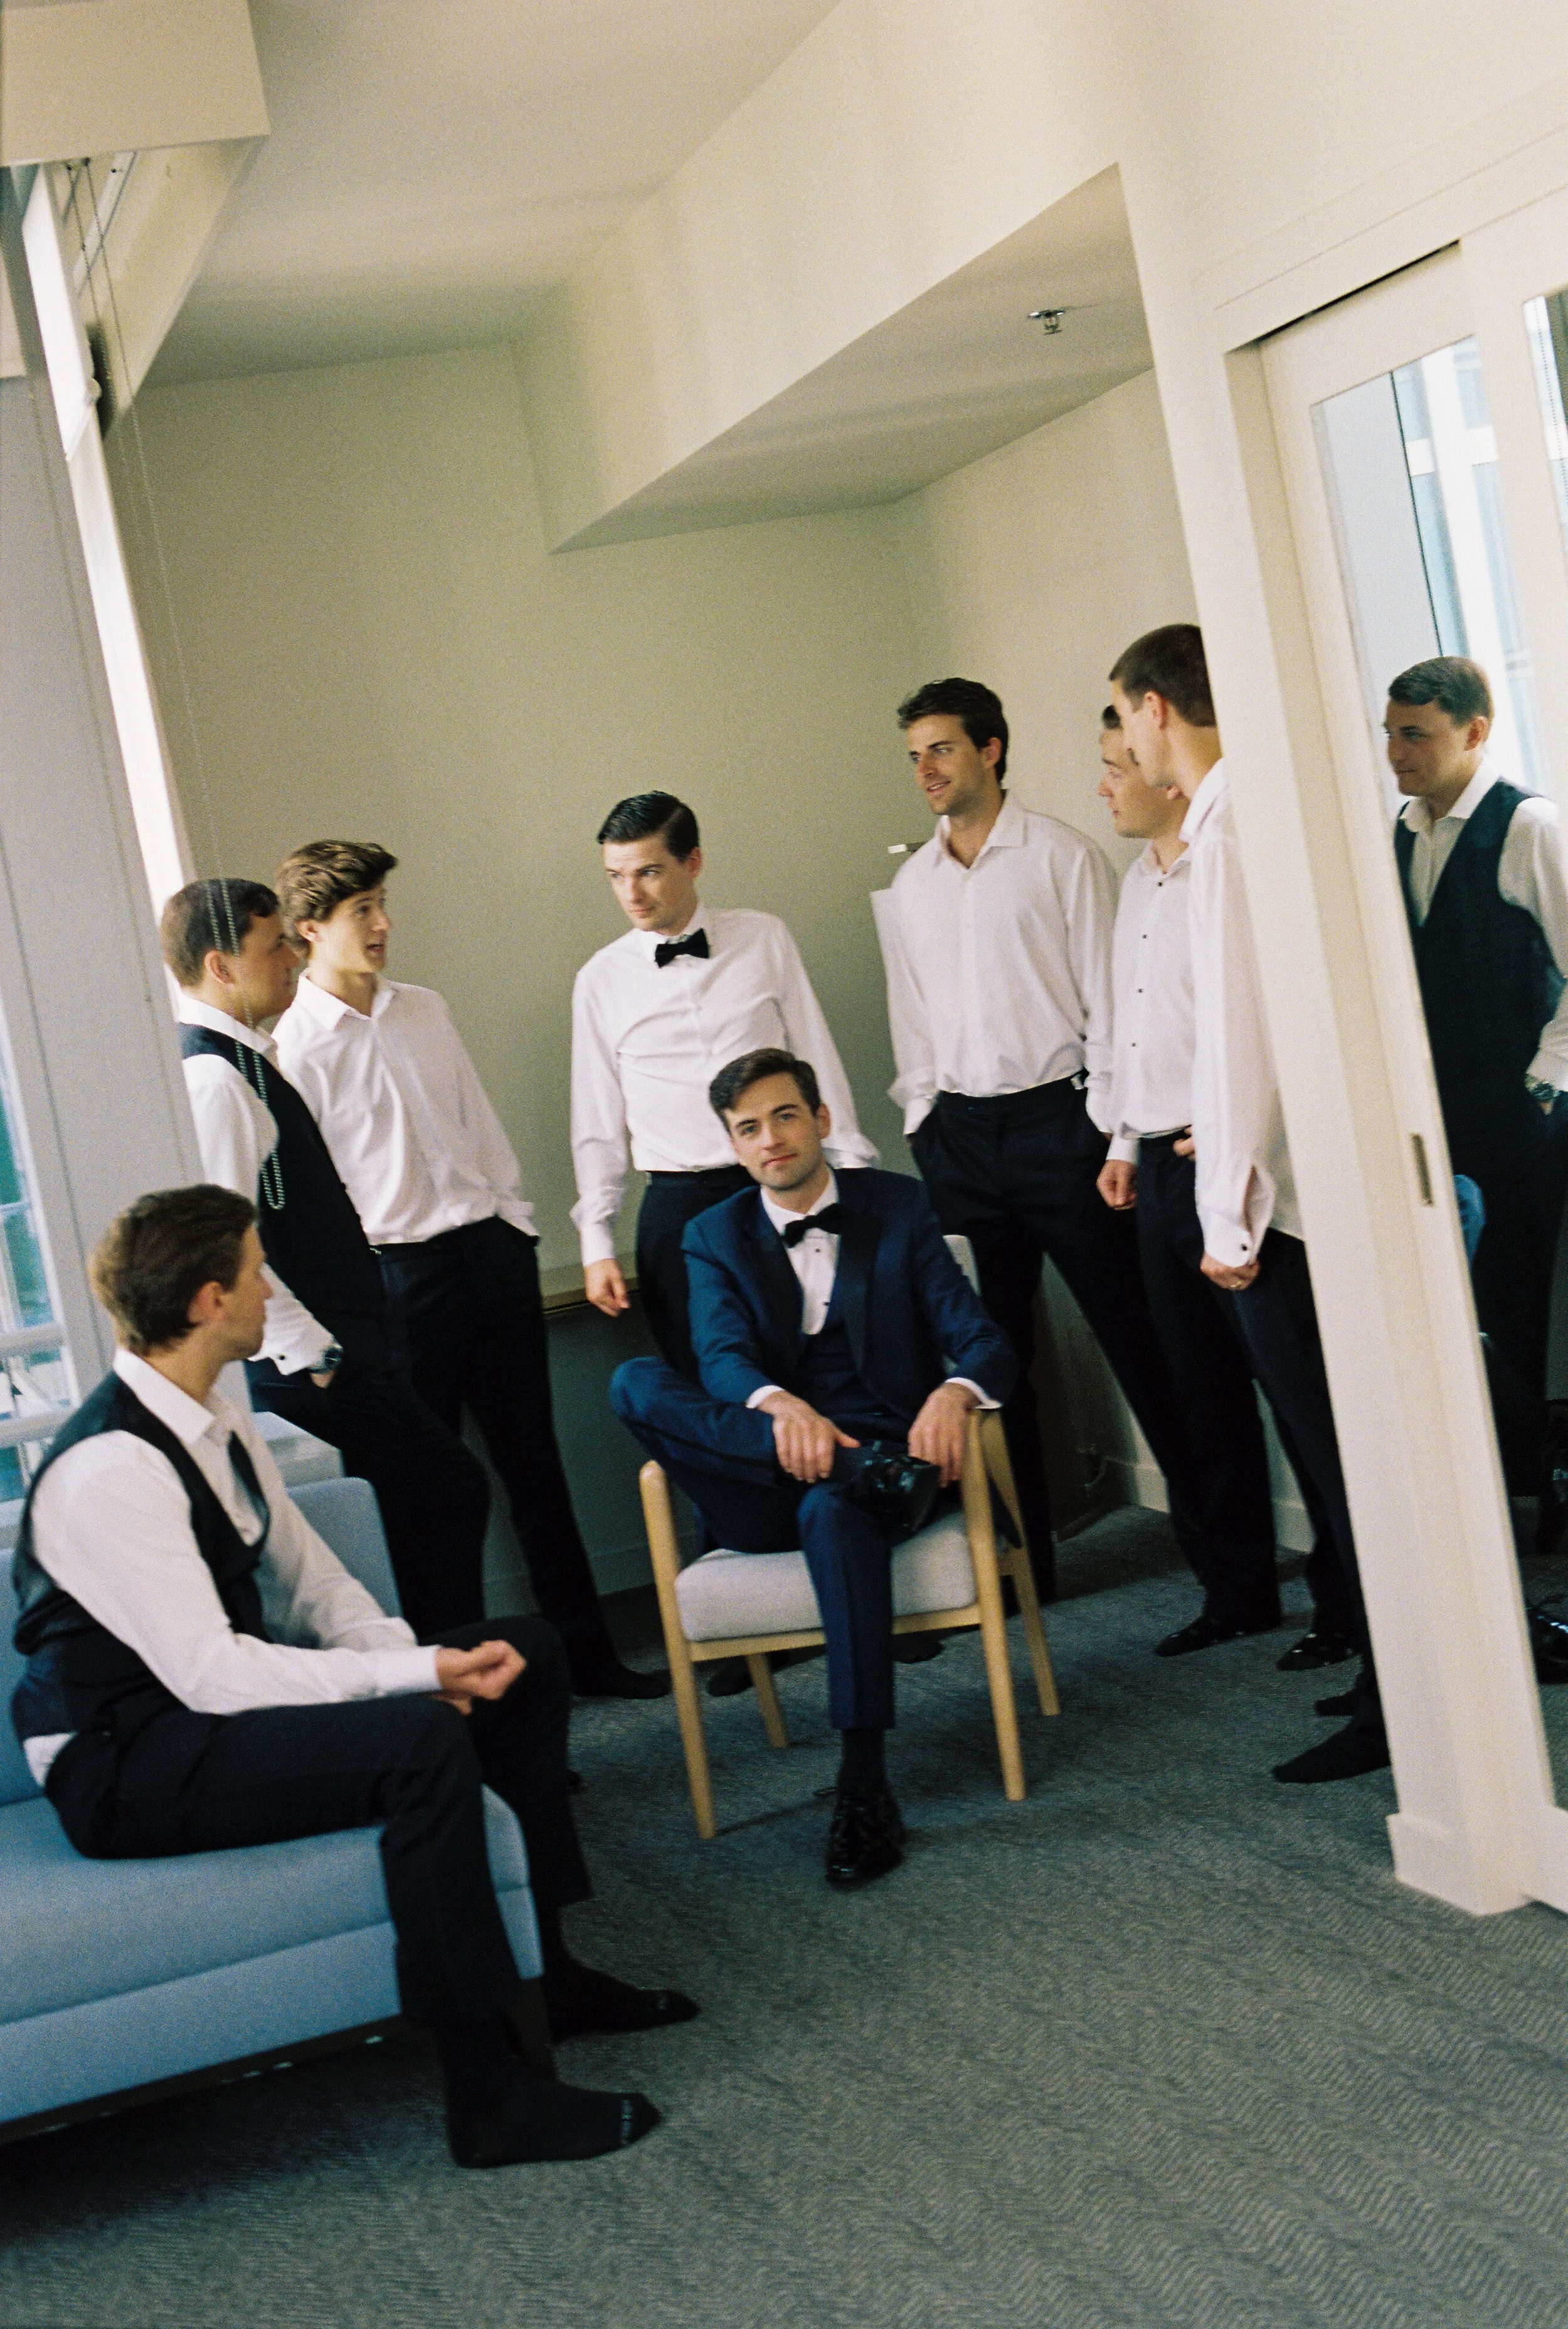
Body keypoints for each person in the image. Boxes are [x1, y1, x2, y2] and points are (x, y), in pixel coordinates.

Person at [9, 1186, 697, 2168]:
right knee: (419, 1742)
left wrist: (421, 1663)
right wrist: (413, 1685)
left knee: (527, 1655)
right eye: (258, 1271)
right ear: (210, 1299)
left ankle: (549, 1971)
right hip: (123, 1762)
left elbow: (312, 1585)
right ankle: (489, 2096)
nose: (269, 1290)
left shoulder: (219, 1418)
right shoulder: (110, 1466)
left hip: (200, 1722)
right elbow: (213, 1675)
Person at [610, 1048, 1015, 1888]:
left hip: (885, 1469)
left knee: (835, 1512)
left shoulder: (897, 1206)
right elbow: (719, 1357)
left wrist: (955, 1391)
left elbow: (981, 1338)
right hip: (771, 1470)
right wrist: (776, 1406)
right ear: (733, 1143)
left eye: (784, 1116)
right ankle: (858, 1467)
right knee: (635, 1381)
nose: (770, 1140)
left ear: (822, 1118)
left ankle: (863, 1785)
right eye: (748, 1128)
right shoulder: (711, 1233)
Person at [272, 841, 662, 1702]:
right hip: (402, 1283)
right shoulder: (292, 1053)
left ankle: (586, 1661)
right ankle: (463, 1698)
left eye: (381, 902)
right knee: (430, 1503)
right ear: (309, 930)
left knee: (537, 1469)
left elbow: (477, 1125)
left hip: (489, 1255)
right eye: (361, 911)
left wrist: (514, 1225)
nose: (383, 924)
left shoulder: (425, 1009)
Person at [1109, 623, 1385, 1785]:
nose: (1124, 741)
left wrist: (1226, 1216)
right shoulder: (1260, 811)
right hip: (1313, 1191)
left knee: (1338, 1458)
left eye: (1124, 719)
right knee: (1341, 1454)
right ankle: (1386, 1673)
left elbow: (1238, 1044)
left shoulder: (1224, 836)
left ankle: (1396, 1697)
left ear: (1160, 710)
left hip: (1285, 1205)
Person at [877, 676, 1204, 1593]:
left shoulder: (1060, 856)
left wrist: (1113, 1136)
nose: (926, 771)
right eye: (914, 756)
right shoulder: (912, 885)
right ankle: (1031, 1567)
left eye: (940, 749)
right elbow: (915, 1021)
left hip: (1066, 1124)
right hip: (963, 1142)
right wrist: (925, 1121)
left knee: (1136, 1332)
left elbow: (1112, 1003)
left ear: (990, 748)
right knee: (988, 1360)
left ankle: (1219, 1548)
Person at [163, 879, 492, 1642]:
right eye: (273, 944)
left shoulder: (248, 1061)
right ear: (220, 964)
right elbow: (223, 1240)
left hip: (340, 1348)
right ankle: (457, 1706)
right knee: (447, 1491)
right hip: (313, 1365)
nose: (291, 955)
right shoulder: (214, 1078)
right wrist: (311, 1349)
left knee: (423, 1510)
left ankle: (449, 1706)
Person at [571, 791, 877, 1381]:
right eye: (616, 876)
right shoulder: (600, 980)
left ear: (693, 862)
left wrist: (855, 1178)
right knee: (712, 1388)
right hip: (679, 1205)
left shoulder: (765, 938)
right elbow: (595, 1121)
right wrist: (596, 1242)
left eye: (648, 872)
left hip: (786, 1186)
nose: (631, 893)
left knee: (823, 1372)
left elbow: (817, 1062)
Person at [1387, 659, 1568, 1439]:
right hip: (1443, 1114)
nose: (1396, 753)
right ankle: (1520, 1475)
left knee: (1534, 1301)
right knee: (1473, 1303)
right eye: (1390, 733)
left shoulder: (1529, 825)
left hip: (1524, 1115)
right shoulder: (1402, 830)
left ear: (1475, 730)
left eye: (1415, 734)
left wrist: (1541, 1082)